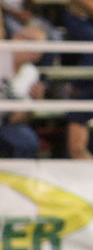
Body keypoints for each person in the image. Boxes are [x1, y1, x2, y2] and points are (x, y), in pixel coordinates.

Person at [0, 23, 48, 158]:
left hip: (5, 124)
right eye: (32, 42)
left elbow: (16, 119)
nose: (36, 50)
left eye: (41, 47)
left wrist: (33, 103)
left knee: (27, 140)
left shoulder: (32, 74)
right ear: (16, 38)